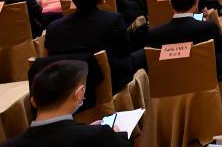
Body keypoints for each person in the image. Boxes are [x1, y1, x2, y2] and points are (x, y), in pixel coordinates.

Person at [1, 60, 129, 147]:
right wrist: (117, 135)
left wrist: (85, 130)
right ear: (79, 94)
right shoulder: (99, 136)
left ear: (33, 102)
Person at [45, 0, 134, 93]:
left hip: (63, 83)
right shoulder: (113, 19)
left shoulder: (53, 27)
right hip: (106, 79)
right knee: (147, 55)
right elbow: (124, 50)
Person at [145, 0, 222, 81]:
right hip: (205, 76)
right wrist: (205, 21)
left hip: (172, 80)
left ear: (170, 4)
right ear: (197, 2)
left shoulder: (154, 33)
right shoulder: (207, 27)